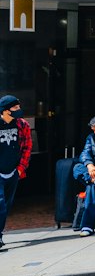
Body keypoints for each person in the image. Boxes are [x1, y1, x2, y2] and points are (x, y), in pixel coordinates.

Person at [0, 95, 32, 252]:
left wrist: (20, 169)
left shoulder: (22, 124)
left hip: (13, 172)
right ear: (5, 110)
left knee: (6, 205)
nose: (19, 111)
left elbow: (27, 147)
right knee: (0, 205)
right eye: (16, 108)